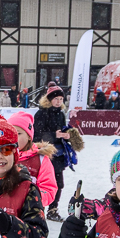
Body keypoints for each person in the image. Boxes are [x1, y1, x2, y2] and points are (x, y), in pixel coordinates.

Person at [35, 85, 83, 222]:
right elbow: (36, 136)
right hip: (44, 153)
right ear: (49, 99)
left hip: (58, 154)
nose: (58, 101)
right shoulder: (41, 113)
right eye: (56, 98)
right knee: (42, 183)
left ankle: (52, 209)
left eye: (61, 98)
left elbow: (61, 131)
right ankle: (38, 209)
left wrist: (67, 135)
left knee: (58, 183)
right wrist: (54, 135)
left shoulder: (60, 114)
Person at [7, 111, 58, 209]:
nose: (14, 137)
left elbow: (49, 189)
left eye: (18, 133)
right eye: (10, 133)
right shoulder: (3, 156)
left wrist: (32, 198)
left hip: (30, 214)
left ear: (29, 137)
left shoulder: (40, 159)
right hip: (5, 214)